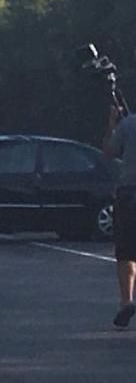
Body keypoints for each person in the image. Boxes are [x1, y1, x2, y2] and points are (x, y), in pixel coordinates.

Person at [103, 105, 136, 329]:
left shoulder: (129, 123)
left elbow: (108, 152)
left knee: (126, 251)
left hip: (129, 192)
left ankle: (126, 301)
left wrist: (112, 124)